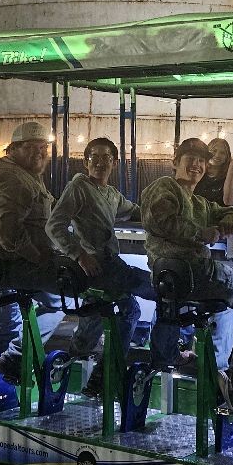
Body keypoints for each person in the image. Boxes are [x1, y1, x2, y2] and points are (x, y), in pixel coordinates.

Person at [140, 138, 233, 392]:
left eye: (201, 161)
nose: (197, 165)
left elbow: (228, 210)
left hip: (172, 279)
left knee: (218, 303)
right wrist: (200, 233)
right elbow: (161, 219)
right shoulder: (164, 186)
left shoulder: (198, 202)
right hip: (193, 271)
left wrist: (231, 215)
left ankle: (169, 359)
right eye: (191, 159)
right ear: (176, 162)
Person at [0, 121, 81, 382]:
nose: (40, 153)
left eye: (43, 147)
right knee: (64, 296)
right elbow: (9, 235)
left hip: (6, 260)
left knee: (43, 297)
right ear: (14, 149)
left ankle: (11, 352)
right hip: (9, 261)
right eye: (31, 147)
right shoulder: (12, 178)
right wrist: (42, 258)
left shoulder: (25, 174)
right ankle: (17, 356)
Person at [46, 137, 158, 365]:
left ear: (114, 163)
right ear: (86, 163)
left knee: (100, 313)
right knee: (158, 289)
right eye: (93, 157)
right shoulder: (79, 187)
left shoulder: (112, 194)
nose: (99, 162)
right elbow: (54, 225)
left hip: (107, 268)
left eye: (106, 157)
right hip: (98, 266)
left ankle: (73, 363)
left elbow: (135, 211)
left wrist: (162, 213)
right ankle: (110, 369)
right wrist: (80, 255)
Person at [193, 137, 232, 205]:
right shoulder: (197, 172)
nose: (217, 155)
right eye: (214, 151)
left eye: (222, 153)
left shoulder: (229, 178)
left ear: (227, 157)